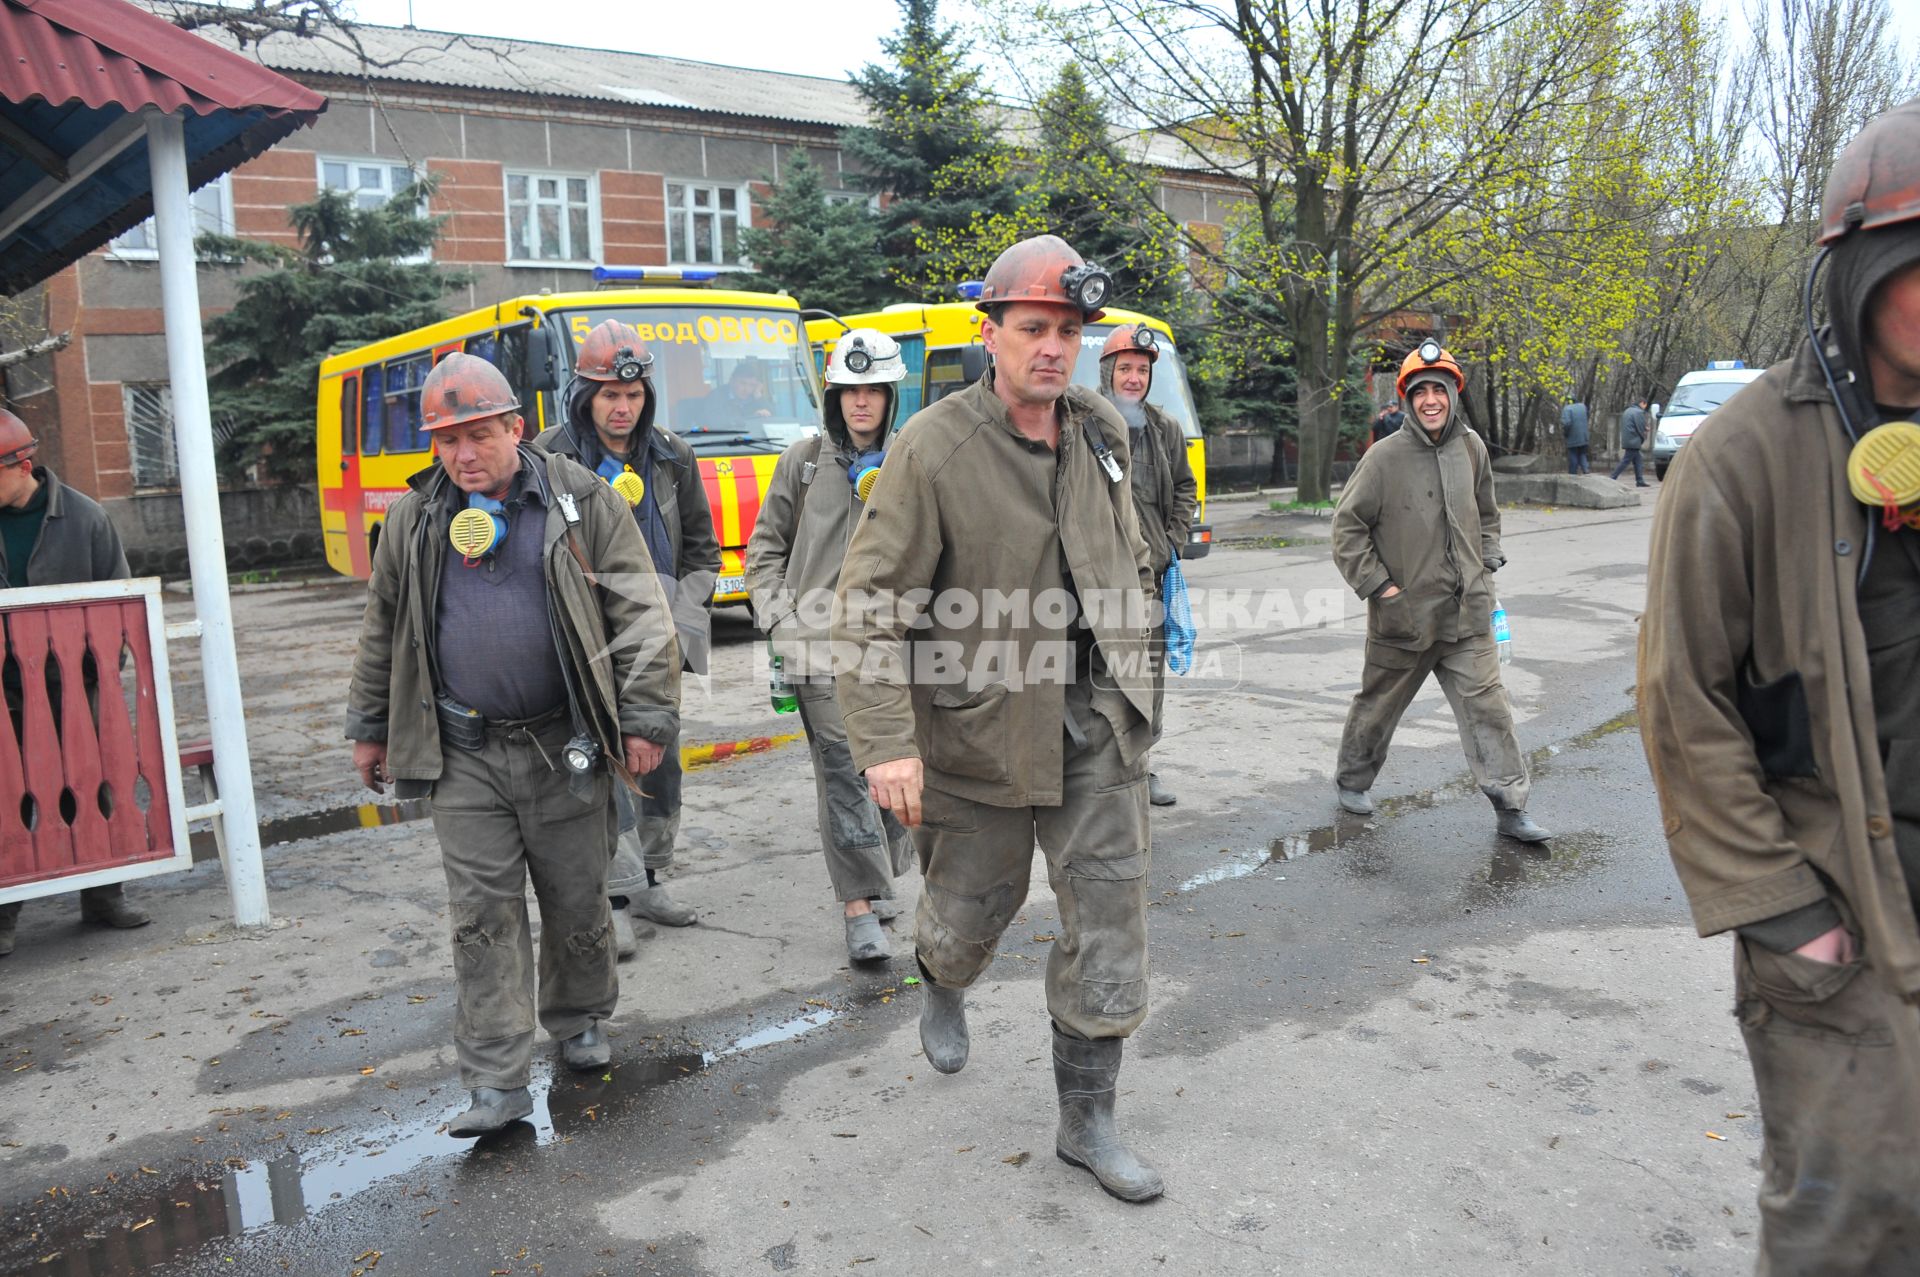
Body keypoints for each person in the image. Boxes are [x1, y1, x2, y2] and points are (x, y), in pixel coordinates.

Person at [1639, 95, 1920, 1275]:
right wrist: (1787, 912)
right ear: (1865, 267)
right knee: (1848, 1217)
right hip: (1842, 905)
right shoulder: (1742, 455)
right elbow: (1680, 698)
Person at [834, 234, 1164, 1202]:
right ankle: (941, 973)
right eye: (1034, 328)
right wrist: (889, 741)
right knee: (972, 910)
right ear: (991, 333)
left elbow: (1133, 556)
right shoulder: (933, 447)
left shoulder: (1104, 431)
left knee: (1112, 911)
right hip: (978, 729)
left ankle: (1087, 1121)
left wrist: (1140, 671)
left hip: (1096, 723)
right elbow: (867, 603)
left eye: (1069, 330)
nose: (1054, 347)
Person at [345, 353, 682, 1136]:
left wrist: (644, 720)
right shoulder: (415, 519)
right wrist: (369, 727)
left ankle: (579, 1018)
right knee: (482, 913)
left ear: (514, 427)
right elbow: (382, 627)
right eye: (446, 440)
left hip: (564, 745)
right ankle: (495, 1079)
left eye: (477, 435)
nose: (463, 455)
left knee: (576, 896)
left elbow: (641, 613)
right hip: (463, 753)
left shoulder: (580, 499)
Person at [534, 321, 720, 955]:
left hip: (656, 636)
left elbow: (701, 545)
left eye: (634, 396)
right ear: (583, 394)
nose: (622, 408)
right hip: (585, 638)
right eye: (609, 395)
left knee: (659, 762)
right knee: (601, 765)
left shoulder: (671, 454)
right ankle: (611, 895)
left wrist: (687, 624)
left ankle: (652, 880)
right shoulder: (550, 457)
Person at [1329, 342, 1551, 844]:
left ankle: (1511, 805)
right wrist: (1380, 587)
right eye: (1421, 391)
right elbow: (1347, 529)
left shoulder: (1470, 448)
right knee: (1378, 704)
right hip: (1402, 617)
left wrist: (1487, 558)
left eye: (1440, 390)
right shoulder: (1383, 458)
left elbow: (1487, 512)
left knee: (1489, 709)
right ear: (1407, 399)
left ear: (1453, 394)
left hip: (1468, 613)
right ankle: (1352, 780)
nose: (1431, 400)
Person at [744, 327, 915, 963]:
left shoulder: (912, 460)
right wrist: (780, 620)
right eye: (850, 390)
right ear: (834, 396)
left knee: (898, 771)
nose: (861, 402)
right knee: (844, 774)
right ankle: (859, 909)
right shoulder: (804, 462)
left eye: (873, 389)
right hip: (818, 650)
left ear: (890, 395)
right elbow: (765, 549)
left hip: (898, 651)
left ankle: (880, 868)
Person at [0, 409, 149, 956]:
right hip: (3, 690)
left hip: (73, 685)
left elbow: (119, 601)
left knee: (87, 786)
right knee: (6, 797)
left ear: (22, 464)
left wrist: (98, 674)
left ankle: (103, 896)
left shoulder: (84, 517)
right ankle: (3, 913)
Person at [1096, 323, 1196, 807]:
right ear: (1108, 372)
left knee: (1149, 678)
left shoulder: (1165, 430)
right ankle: (1101, 770)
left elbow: (1184, 489)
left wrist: (1171, 540)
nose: (1133, 378)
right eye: (1125, 368)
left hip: (1151, 580)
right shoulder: (1082, 423)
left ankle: (1143, 767)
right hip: (1096, 581)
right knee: (1096, 675)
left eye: (1141, 369)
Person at [686, 362, 775, 430]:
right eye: (743, 383)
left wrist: (758, 396)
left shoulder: (755, 398)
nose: (747, 389)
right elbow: (715, 422)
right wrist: (752, 418)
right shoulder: (716, 396)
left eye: (752, 385)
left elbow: (775, 420)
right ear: (732, 380)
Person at [1610, 396, 1651, 485]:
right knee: (1626, 460)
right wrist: (1645, 432)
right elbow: (1640, 427)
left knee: (1638, 460)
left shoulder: (1628, 410)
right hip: (1634, 440)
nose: (1645, 407)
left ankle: (1640, 480)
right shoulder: (1639, 412)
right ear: (1642, 403)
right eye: (1645, 405)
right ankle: (1612, 477)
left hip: (1627, 439)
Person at [1560, 399, 1591, 474]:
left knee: (1573, 454)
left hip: (1573, 436)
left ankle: (1572, 474)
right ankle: (1586, 471)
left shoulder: (1567, 409)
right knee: (1582, 454)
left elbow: (1567, 423)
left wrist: (1566, 433)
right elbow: (1587, 416)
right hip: (1584, 435)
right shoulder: (1583, 406)